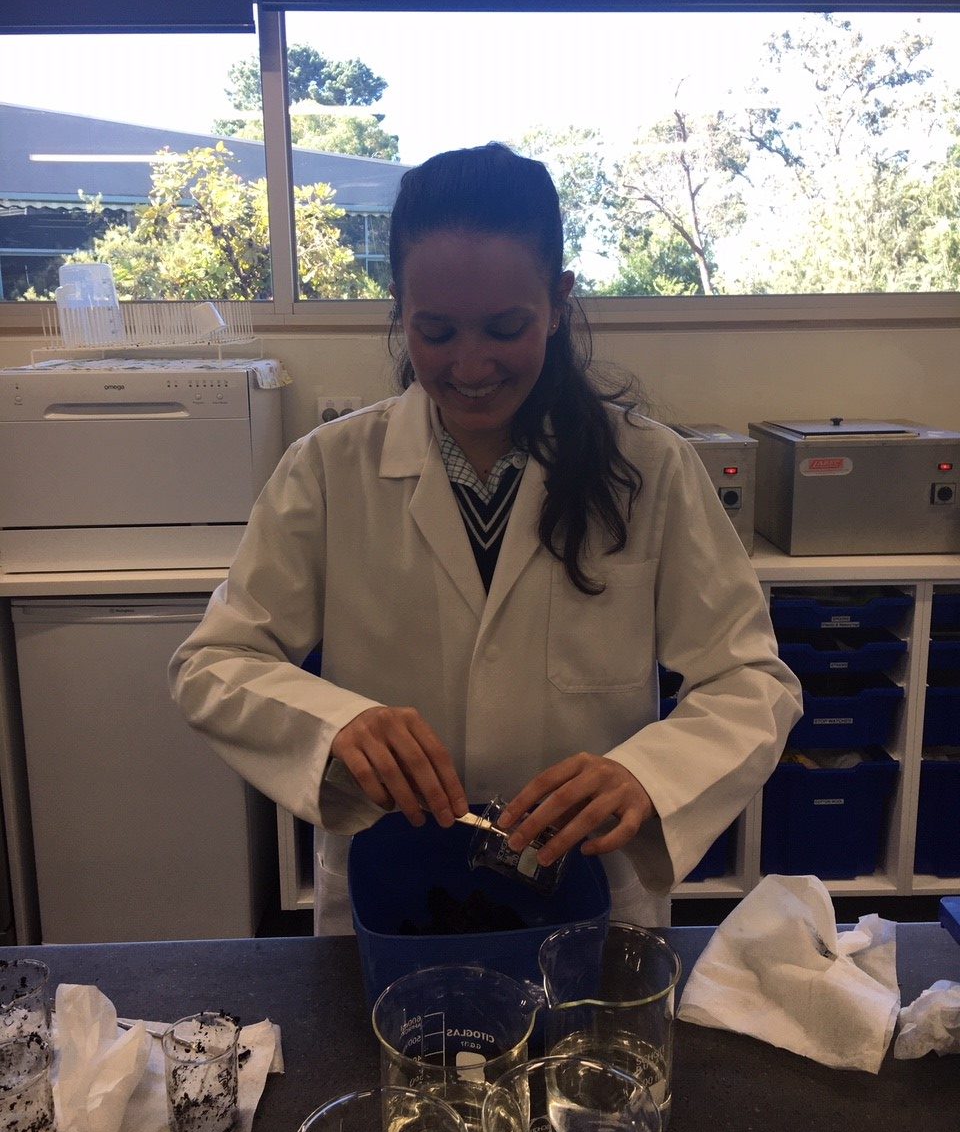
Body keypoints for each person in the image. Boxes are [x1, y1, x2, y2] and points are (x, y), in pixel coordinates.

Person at [169, 142, 802, 933]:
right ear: (399, 308)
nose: (470, 366)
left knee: (579, 1020)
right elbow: (214, 663)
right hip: (394, 895)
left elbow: (751, 680)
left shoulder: (649, 466)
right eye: (436, 332)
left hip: (587, 892)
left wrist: (648, 775)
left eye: (506, 328)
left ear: (559, 303)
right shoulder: (329, 469)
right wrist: (334, 725)